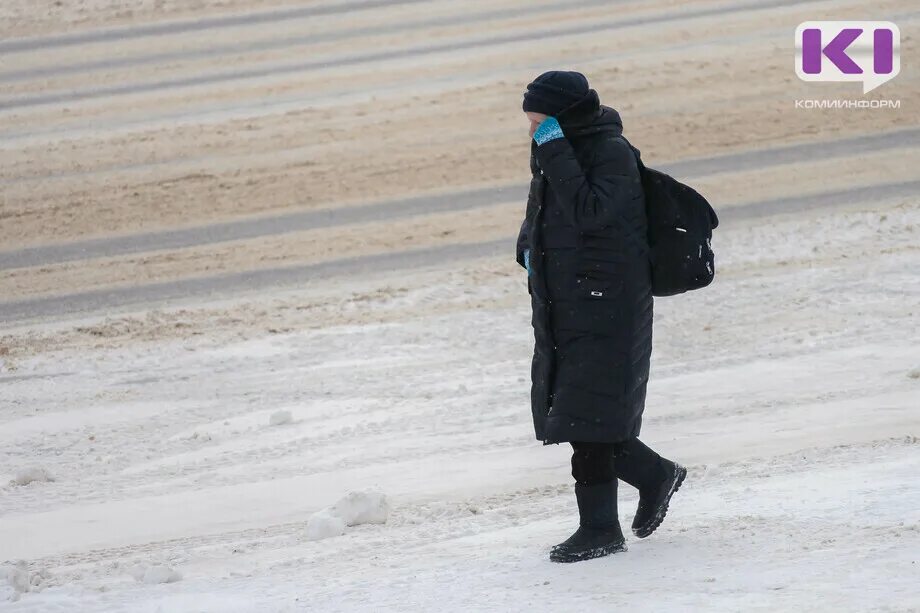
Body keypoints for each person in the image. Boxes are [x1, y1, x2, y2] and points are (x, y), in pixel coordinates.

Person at [516, 71, 687, 563]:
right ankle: (653, 477)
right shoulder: (558, 150)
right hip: (565, 301)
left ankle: (600, 528)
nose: (532, 131)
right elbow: (542, 212)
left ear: (562, 116)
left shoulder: (609, 152)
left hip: (608, 304)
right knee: (579, 416)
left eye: (538, 121)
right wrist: (527, 248)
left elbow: (591, 210)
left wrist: (554, 150)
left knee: (588, 420)